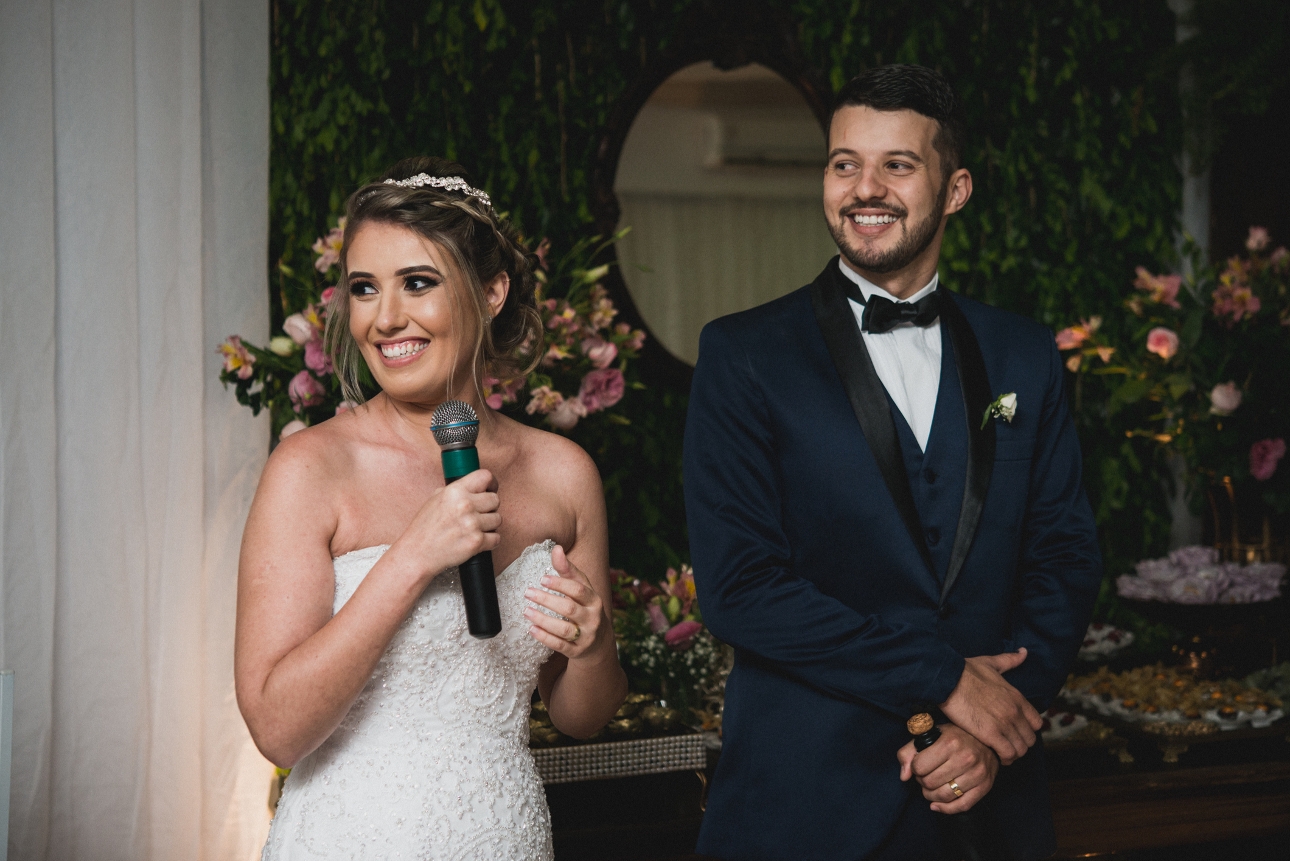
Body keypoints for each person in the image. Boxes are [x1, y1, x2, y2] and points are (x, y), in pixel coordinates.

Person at [683, 65, 1101, 860]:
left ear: (955, 189)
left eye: (897, 165)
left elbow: (1066, 556)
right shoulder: (742, 355)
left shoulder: (1024, 354)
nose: (863, 188)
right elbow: (740, 588)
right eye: (845, 163)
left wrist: (992, 727)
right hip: (803, 807)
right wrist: (946, 679)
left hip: (985, 810)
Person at [235, 156, 628, 860]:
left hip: (501, 833)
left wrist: (593, 645)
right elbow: (277, 729)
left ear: (492, 290)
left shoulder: (564, 474)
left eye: (417, 283)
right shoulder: (310, 469)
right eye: (364, 288)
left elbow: (581, 716)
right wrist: (413, 556)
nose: (386, 319)